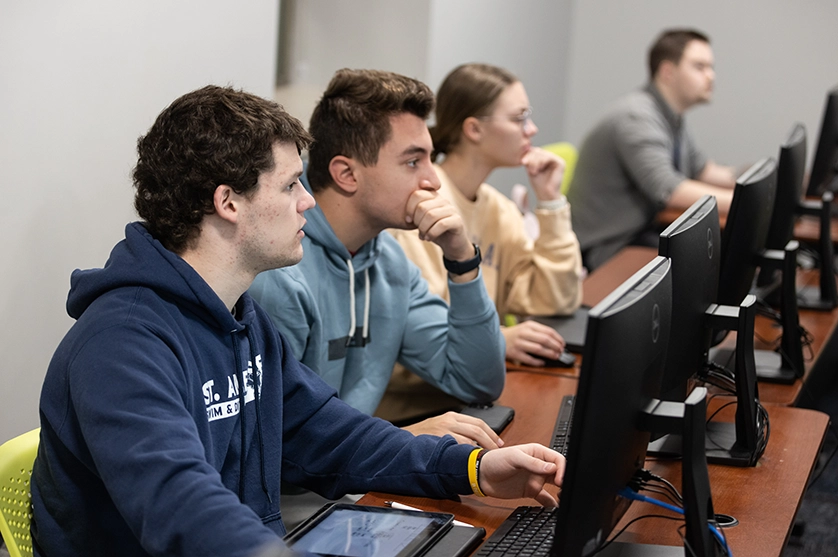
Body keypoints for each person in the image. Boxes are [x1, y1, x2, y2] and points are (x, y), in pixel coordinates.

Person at [30, 85, 565, 557]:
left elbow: (337, 437)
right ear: (228, 202)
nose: (308, 201)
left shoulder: (242, 321)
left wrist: (472, 469)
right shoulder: (121, 343)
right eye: (290, 186)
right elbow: (178, 503)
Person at [248, 69, 506, 449]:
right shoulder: (280, 273)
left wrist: (462, 259)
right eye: (413, 161)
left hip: (357, 478)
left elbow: (478, 381)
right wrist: (399, 439)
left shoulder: (389, 261)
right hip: (296, 503)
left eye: (430, 159)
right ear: (346, 174)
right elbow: (271, 444)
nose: (434, 180)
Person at [390, 63, 583, 367]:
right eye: (519, 119)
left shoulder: (498, 209)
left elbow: (552, 299)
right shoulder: (421, 210)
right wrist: (498, 338)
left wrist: (550, 201)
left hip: (472, 379)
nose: (531, 130)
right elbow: (418, 335)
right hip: (429, 397)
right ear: (474, 129)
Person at [568, 28, 737, 271]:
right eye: (700, 67)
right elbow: (670, 190)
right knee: (707, 267)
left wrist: (751, 182)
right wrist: (743, 202)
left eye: (711, 67)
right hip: (607, 246)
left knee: (714, 258)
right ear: (667, 71)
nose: (711, 76)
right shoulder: (637, 116)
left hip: (640, 232)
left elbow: (702, 170)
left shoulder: (671, 116)